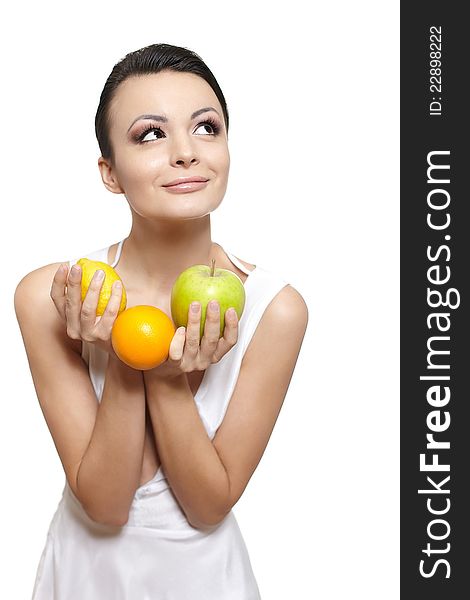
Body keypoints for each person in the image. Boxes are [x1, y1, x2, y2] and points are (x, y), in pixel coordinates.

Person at [14, 43, 308, 599]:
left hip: (206, 582)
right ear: (110, 173)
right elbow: (105, 505)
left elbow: (207, 505)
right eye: (151, 134)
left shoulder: (275, 308)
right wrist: (130, 361)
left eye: (206, 128)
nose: (185, 153)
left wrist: (164, 374)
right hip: (84, 578)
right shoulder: (52, 296)